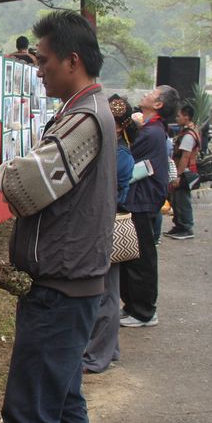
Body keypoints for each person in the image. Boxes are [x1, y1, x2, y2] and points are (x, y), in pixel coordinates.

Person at [0, 10, 115, 423]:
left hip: (60, 288)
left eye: (42, 59)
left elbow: (24, 186)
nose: (37, 70)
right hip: (73, 283)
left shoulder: (84, 119)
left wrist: (5, 170)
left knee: (30, 411)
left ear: (72, 61)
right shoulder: (87, 113)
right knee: (63, 401)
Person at [83, 96, 136, 374]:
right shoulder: (114, 150)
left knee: (105, 294)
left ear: (119, 126)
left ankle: (98, 355)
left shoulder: (120, 154)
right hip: (102, 223)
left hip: (107, 226)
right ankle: (108, 348)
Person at [119, 85, 177, 328]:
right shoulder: (151, 129)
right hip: (139, 199)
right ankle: (133, 305)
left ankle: (144, 311)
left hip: (141, 200)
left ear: (158, 104)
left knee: (140, 259)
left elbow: (129, 157)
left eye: (153, 92)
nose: (147, 93)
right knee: (134, 256)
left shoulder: (152, 133)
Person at [166, 104, 200, 240]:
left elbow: (185, 156)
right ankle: (179, 225)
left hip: (185, 172)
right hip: (183, 171)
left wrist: (177, 175)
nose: (177, 118)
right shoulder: (188, 131)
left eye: (179, 116)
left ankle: (186, 227)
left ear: (186, 117)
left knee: (182, 201)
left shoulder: (188, 135)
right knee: (176, 200)